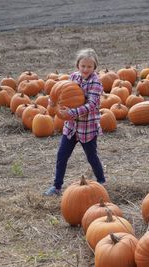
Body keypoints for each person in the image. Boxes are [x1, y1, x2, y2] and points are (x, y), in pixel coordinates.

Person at [43, 48, 106, 196]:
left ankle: (102, 181)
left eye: (89, 66)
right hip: (71, 126)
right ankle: (57, 186)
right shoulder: (73, 77)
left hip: (87, 127)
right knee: (62, 155)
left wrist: (71, 112)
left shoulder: (96, 83)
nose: (85, 69)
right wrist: (52, 101)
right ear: (78, 65)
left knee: (92, 156)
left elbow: (91, 105)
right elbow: (62, 94)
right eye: (83, 66)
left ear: (94, 67)